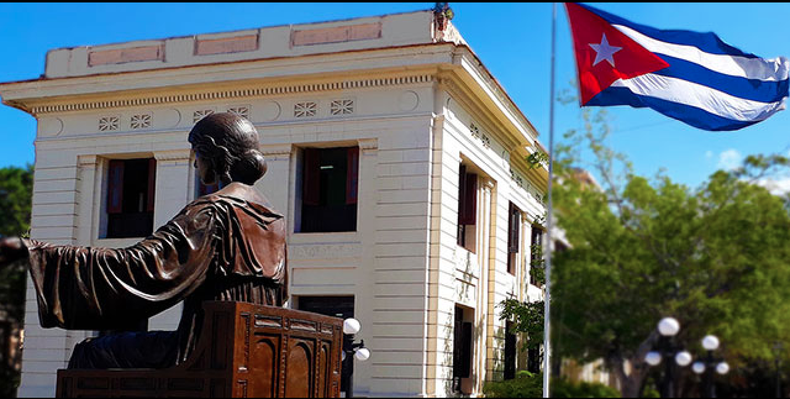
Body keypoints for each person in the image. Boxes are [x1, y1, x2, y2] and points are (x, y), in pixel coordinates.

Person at [0, 112, 287, 369]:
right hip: (252, 354)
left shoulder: (213, 211)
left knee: (90, 353)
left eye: (197, 155)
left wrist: (35, 252)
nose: (195, 165)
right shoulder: (275, 222)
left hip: (203, 352)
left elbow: (139, 267)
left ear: (216, 155)